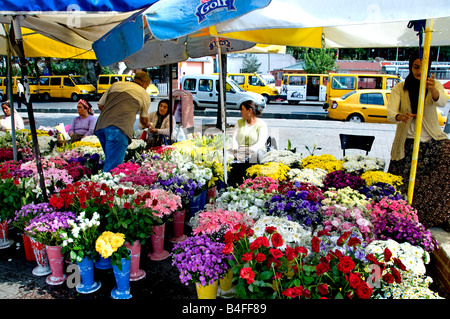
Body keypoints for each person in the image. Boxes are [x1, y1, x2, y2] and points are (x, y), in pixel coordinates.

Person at [387, 51, 449, 229]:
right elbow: (390, 113)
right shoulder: (400, 88)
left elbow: (442, 101)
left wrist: (433, 90)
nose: (419, 71)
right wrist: (401, 116)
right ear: (410, 66)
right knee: (402, 182)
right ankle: (402, 218)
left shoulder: (434, 84)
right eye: (415, 67)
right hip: (406, 142)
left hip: (431, 139)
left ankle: (438, 215)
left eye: (423, 67)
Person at [94, 71, 152, 172]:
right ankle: (107, 186)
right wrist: (149, 125)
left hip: (101, 127)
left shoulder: (116, 85)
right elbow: (143, 121)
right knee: (112, 169)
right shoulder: (143, 93)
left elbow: (100, 105)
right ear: (144, 84)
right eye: (147, 85)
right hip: (118, 130)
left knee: (110, 160)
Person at [228, 100, 268, 186]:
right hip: (240, 152)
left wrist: (247, 151)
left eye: (242, 109)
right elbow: (234, 139)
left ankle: (249, 183)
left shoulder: (262, 124)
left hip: (255, 152)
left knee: (250, 160)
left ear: (249, 110)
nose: (241, 111)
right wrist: (235, 150)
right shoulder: (239, 122)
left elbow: (260, 143)